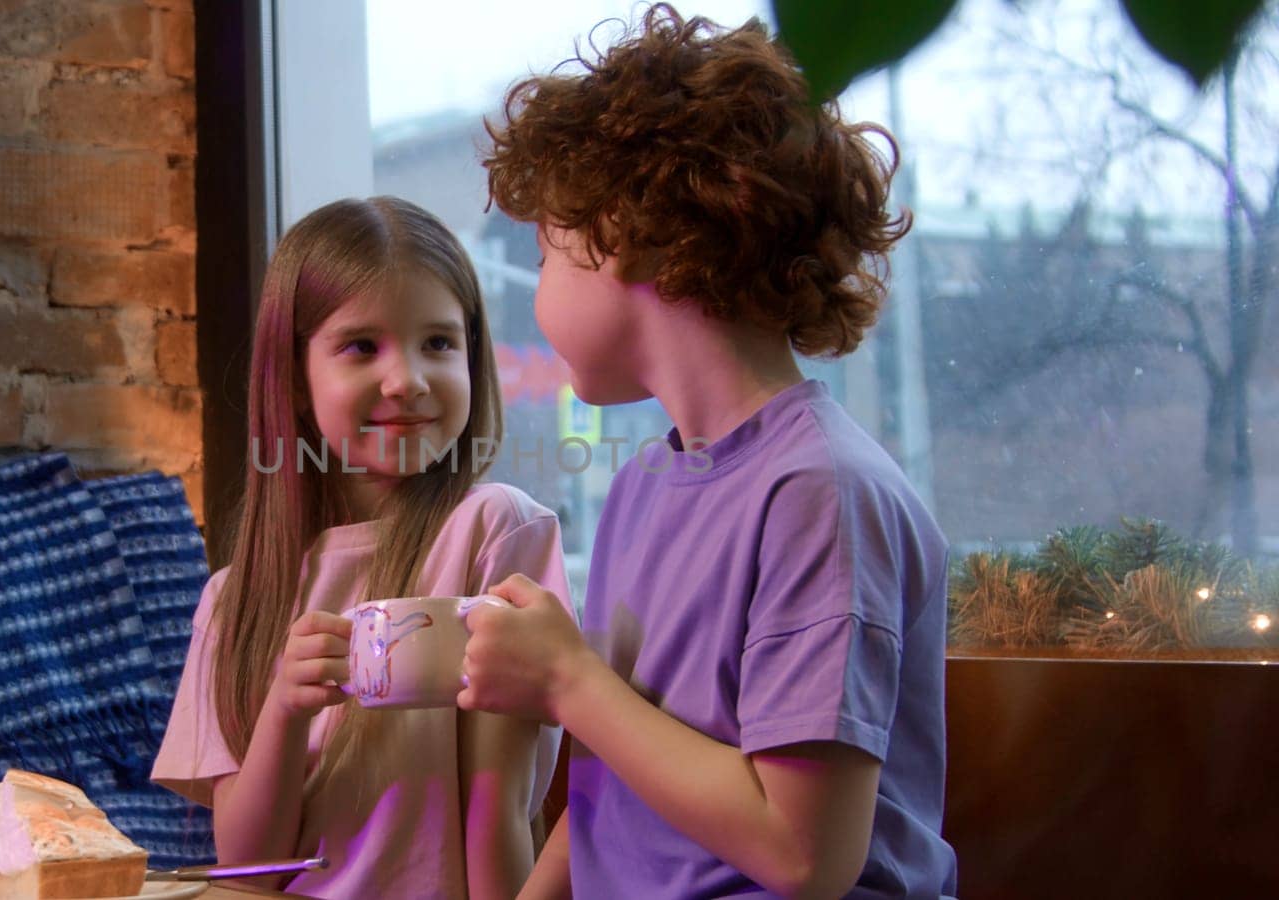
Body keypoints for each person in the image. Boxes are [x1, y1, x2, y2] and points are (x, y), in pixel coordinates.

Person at [457, 6, 959, 898]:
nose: (534, 290)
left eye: (543, 254)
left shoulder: (819, 493)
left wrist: (568, 681)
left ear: (633, 232)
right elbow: (625, 781)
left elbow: (806, 856)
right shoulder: (648, 482)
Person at [151, 196, 574, 899]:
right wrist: (285, 712)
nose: (406, 379)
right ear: (293, 375)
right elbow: (249, 863)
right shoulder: (236, 598)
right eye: (361, 346)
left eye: (439, 343)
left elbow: (499, 808)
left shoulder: (497, 530)